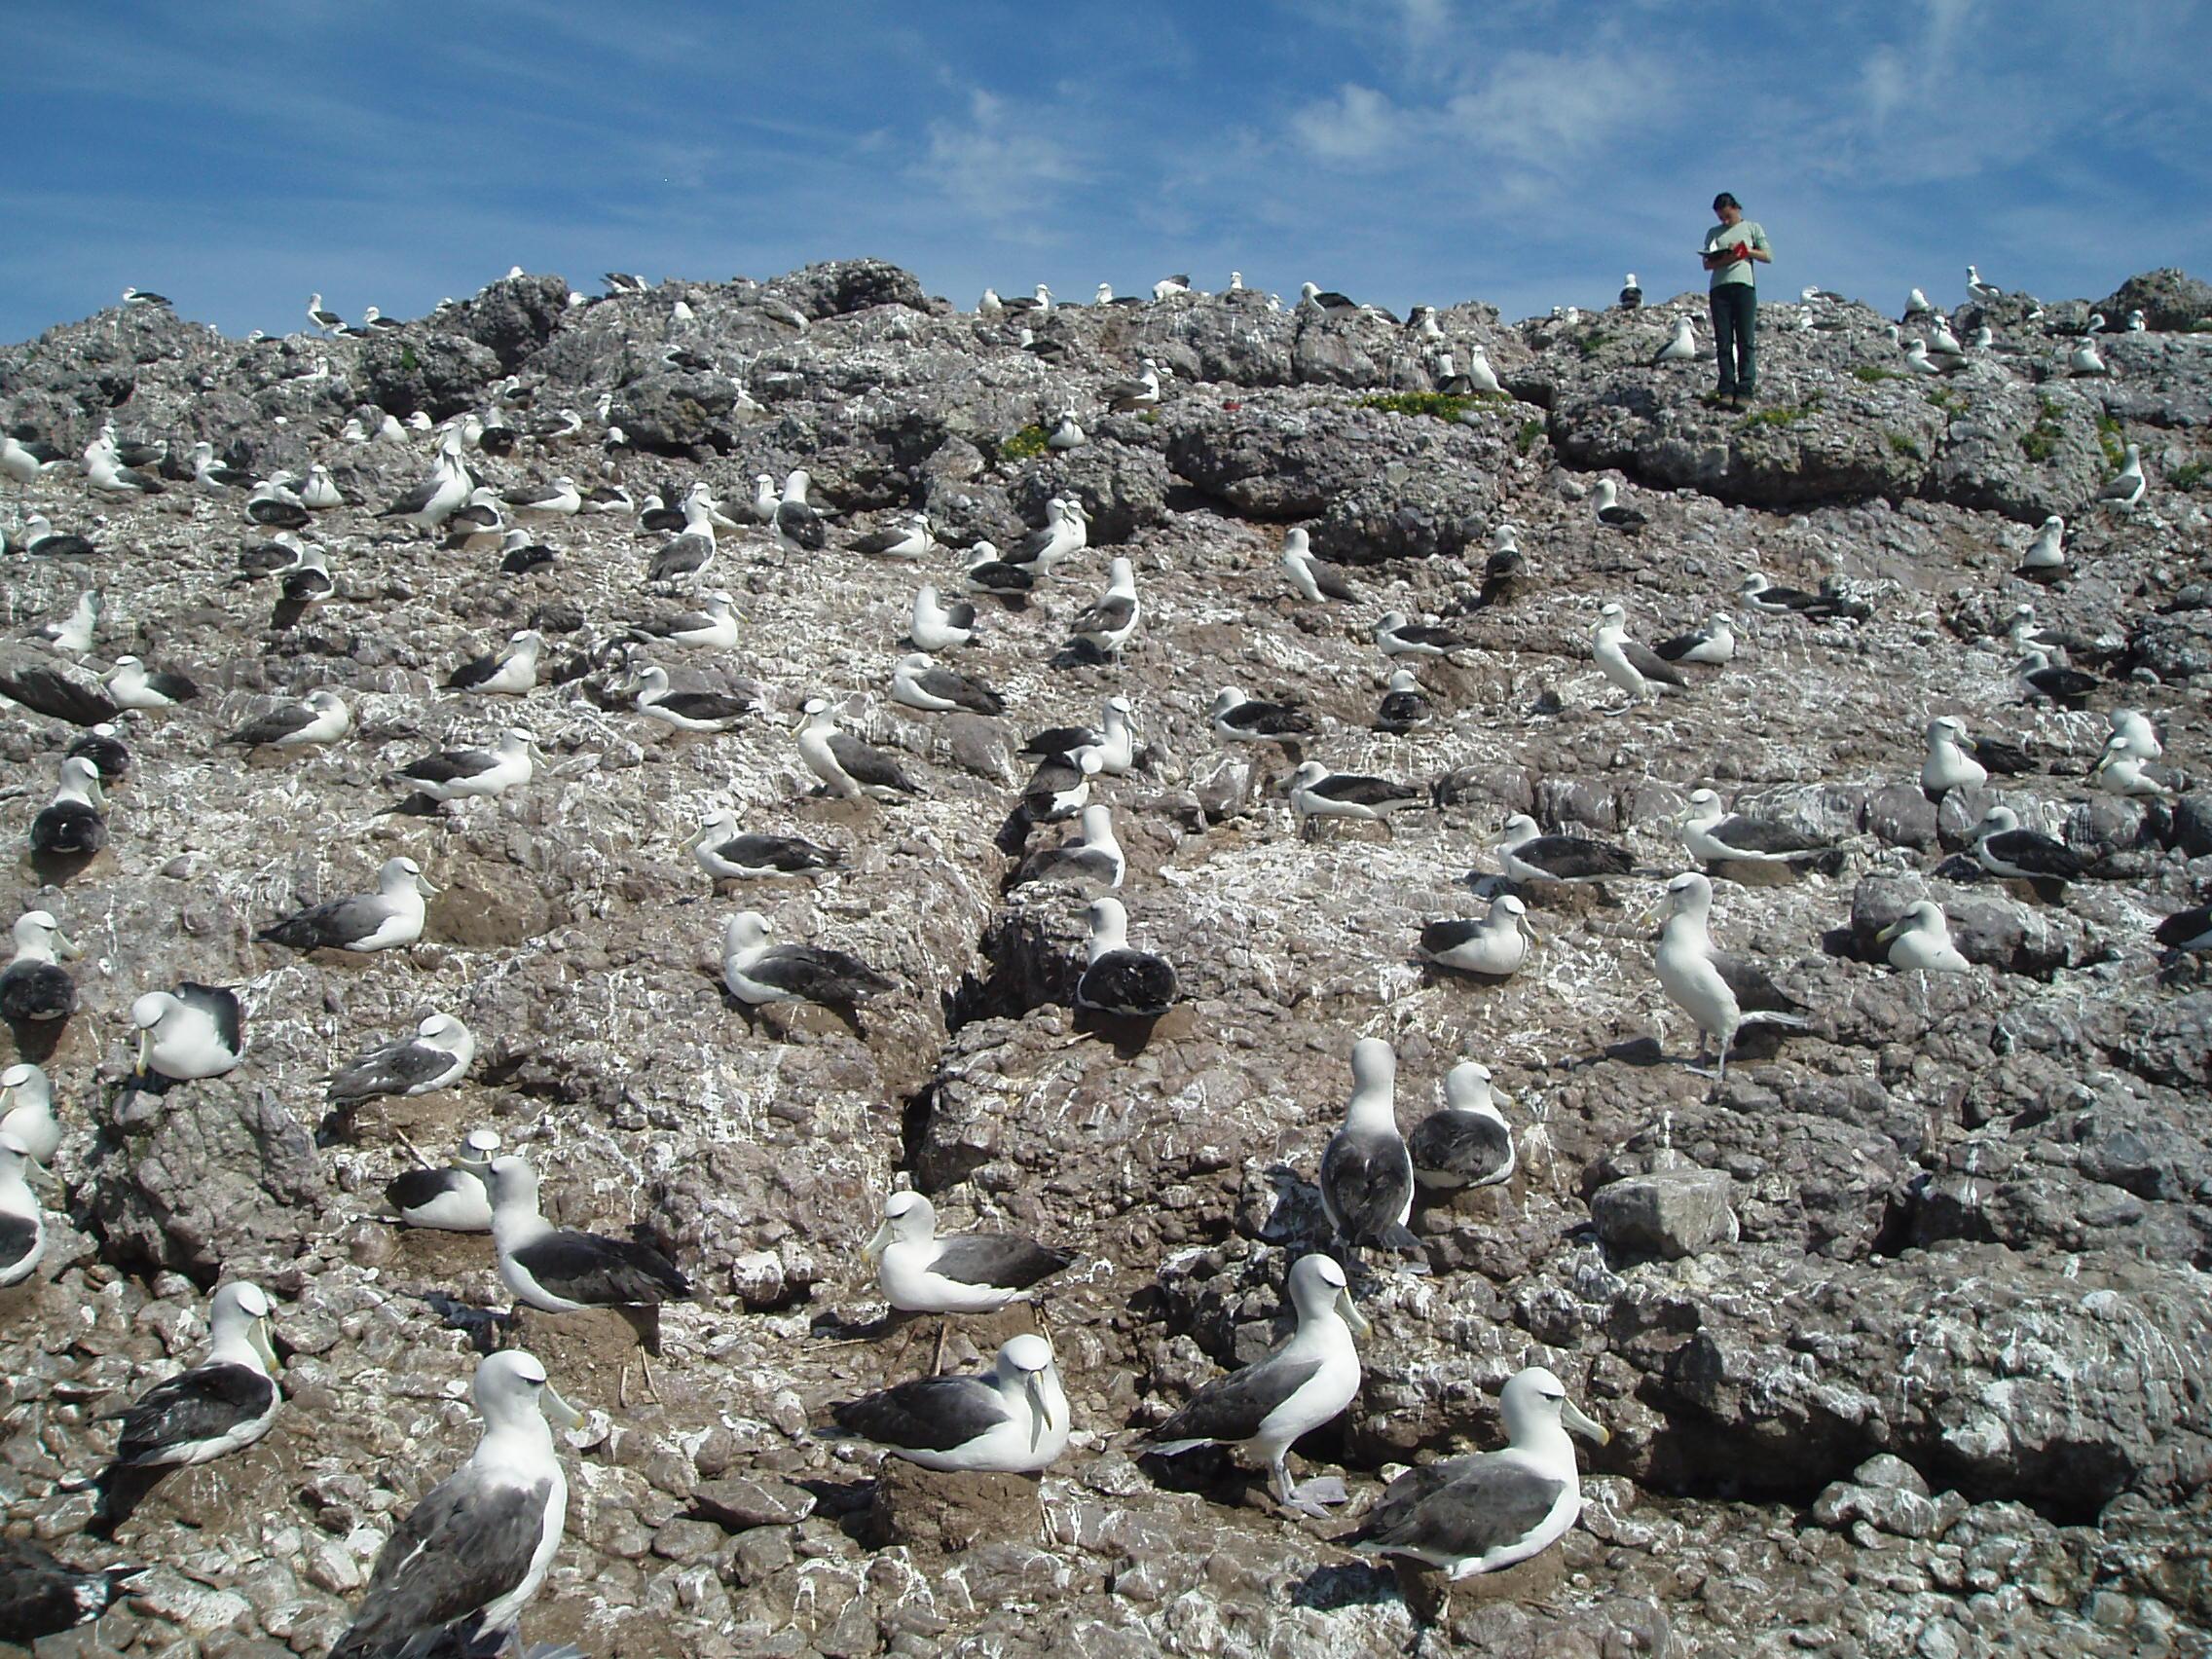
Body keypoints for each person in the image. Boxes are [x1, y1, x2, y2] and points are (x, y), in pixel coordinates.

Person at [1700, 193, 1771, 408]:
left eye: (1727, 216)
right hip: (1719, 289)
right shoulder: (1713, 233)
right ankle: (1726, 390)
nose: (1724, 221)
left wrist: (1745, 250)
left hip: (1744, 287)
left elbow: (1768, 255)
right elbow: (1707, 263)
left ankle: (1746, 389)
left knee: (1745, 339)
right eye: (1721, 218)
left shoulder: (1752, 228)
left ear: (1736, 209)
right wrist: (1729, 256)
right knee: (1723, 341)